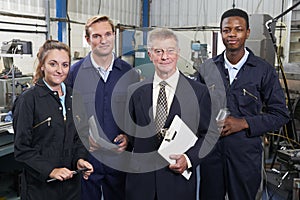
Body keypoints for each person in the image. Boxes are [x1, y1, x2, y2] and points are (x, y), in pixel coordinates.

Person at [197, 8, 290, 200]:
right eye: (226, 30)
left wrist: (244, 123)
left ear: (247, 32)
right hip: (211, 154)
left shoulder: (263, 71)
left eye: (238, 29)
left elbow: (280, 114)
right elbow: (196, 108)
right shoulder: (207, 69)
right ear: (221, 32)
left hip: (245, 156)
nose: (232, 34)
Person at [125, 28, 211, 200]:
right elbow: (131, 136)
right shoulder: (135, 92)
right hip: (141, 184)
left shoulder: (198, 92)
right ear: (150, 55)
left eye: (170, 51)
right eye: (158, 51)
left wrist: (188, 159)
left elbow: (208, 136)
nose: (165, 57)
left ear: (178, 53)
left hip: (177, 184)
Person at [66, 15, 140, 200]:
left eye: (108, 34)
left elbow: (135, 114)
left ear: (114, 36)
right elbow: (67, 114)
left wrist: (128, 137)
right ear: (87, 40)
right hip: (87, 156)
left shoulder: (129, 73)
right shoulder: (74, 74)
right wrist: (82, 138)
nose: (103, 40)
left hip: (119, 155)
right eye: (97, 36)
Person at [12, 40, 93, 200]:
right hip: (41, 189)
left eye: (65, 65)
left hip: (71, 187)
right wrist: (51, 170)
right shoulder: (29, 100)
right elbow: (22, 149)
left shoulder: (75, 97)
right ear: (42, 66)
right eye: (53, 64)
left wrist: (80, 159)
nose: (59, 70)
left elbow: (81, 136)